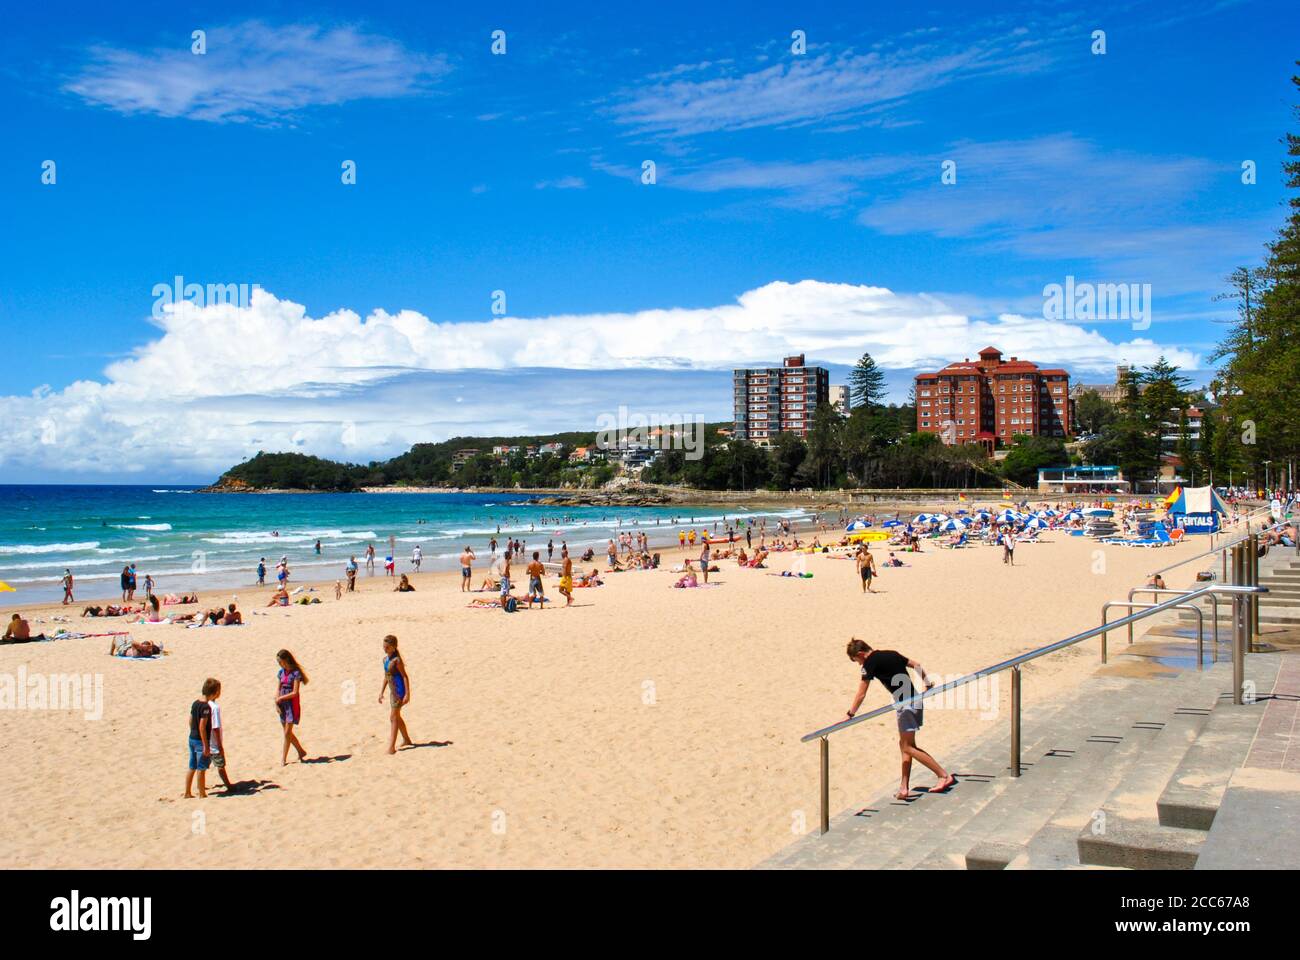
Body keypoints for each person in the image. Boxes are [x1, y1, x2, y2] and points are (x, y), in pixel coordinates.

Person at [844, 638, 955, 800]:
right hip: (915, 700)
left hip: (905, 705)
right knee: (905, 745)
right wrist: (928, 683)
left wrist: (850, 714)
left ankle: (943, 775)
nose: (860, 665)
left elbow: (862, 693)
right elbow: (916, 664)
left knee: (908, 747)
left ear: (861, 654)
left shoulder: (869, 664)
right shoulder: (891, 653)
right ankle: (904, 787)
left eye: (857, 661)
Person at [379, 635, 413, 755]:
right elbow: (386, 676)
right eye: (384, 647)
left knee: (393, 717)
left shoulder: (396, 661)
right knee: (397, 717)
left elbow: (405, 676)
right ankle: (407, 739)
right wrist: (381, 692)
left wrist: (407, 694)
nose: (385, 649)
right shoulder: (385, 660)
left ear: (393, 647)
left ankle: (391, 748)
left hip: (399, 692)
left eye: (387, 647)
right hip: (392, 692)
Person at [185, 678, 218, 799]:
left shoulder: (195, 703)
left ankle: (187, 792)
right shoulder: (206, 707)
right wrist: (206, 745)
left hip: (192, 738)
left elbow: (190, 720)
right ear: (214, 693)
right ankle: (202, 793)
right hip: (200, 740)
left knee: (192, 766)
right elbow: (202, 726)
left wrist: (192, 732)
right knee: (201, 768)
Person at [275, 650, 309, 765]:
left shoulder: (296, 674)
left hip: (291, 705)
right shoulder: (281, 673)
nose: (280, 664)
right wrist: (276, 701)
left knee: (286, 733)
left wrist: (281, 698)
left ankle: (283, 759)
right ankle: (301, 751)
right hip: (282, 705)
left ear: (286, 660)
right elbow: (278, 689)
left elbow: (295, 692)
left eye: (281, 662)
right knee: (287, 732)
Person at [207, 679, 233, 790]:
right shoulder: (215, 708)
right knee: (221, 765)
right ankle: (229, 786)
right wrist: (220, 745)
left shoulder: (202, 704)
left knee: (201, 766)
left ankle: (200, 786)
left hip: (204, 741)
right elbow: (216, 727)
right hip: (213, 743)